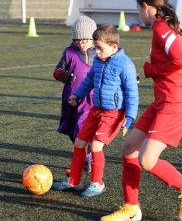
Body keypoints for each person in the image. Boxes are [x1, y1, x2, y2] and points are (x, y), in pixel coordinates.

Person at [101, 0, 182, 221]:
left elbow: (180, 61)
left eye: (138, 10)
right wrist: (174, 81)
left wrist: (152, 70)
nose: (138, 15)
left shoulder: (162, 29)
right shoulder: (171, 29)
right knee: (129, 148)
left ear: (146, 7)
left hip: (174, 104)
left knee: (147, 160)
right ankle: (131, 209)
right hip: (164, 101)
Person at [52, 25, 139, 198]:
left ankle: (97, 183)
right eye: (96, 48)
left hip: (114, 113)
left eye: (100, 48)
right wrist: (77, 95)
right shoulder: (99, 61)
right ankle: (73, 181)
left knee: (97, 145)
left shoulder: (125, 64)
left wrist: (129, 118)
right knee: (79, 142)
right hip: (96, 110)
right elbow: (89, 80)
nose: (97, 53)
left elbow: (131, 92)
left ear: (113, 47)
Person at [53, 16, 97, 175]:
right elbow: (57, 72)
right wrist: (64, 75)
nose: (81, 43)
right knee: (72, 130)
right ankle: (84, 155)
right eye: (78, 39)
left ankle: (89, 156)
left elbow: (115, 68)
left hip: (90, 99)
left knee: (84, 127)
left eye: (85, 39)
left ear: (93, 38)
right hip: (70, 99)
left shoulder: (100, 53)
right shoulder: (69, 52)